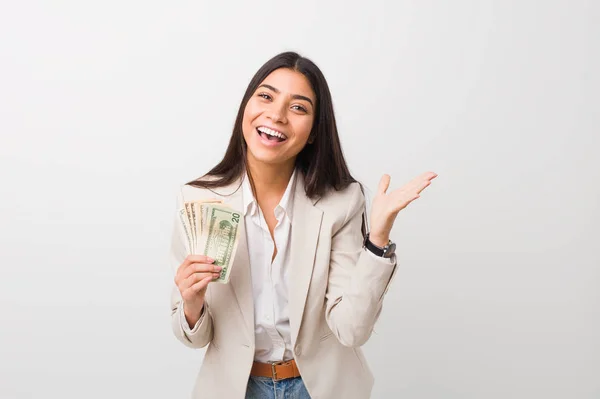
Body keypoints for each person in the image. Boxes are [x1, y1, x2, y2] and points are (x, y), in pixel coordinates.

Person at [169, 51, 437, 399]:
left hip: (321, 388)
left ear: (313, 132)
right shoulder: (198, 200)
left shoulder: (341, 202)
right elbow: (194, 337)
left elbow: (351, 330)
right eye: (265, 96)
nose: (276, 115)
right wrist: (191, 303)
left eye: (298, 107)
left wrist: (378, 238)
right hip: (236, 389)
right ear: (245, 109)